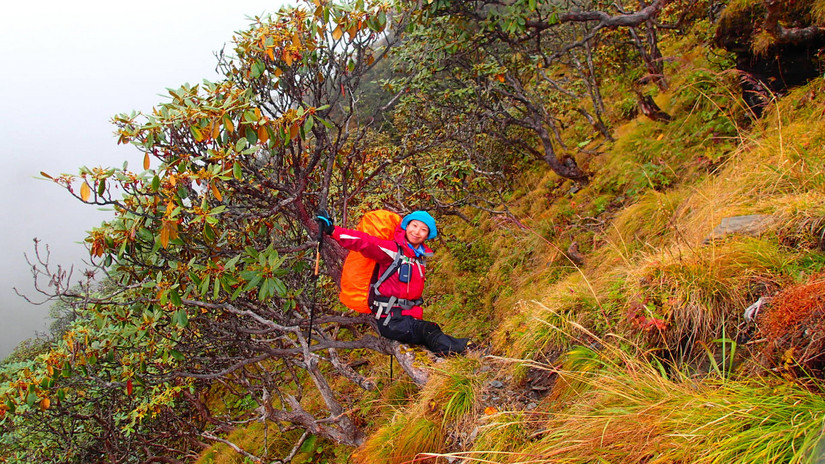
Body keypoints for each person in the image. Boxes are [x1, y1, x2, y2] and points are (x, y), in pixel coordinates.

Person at [316, 210, 470, 355]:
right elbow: (365, 242)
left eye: (423, 229)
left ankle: (454, 351)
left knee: (428, 329)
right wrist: (333, 230)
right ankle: (462, 350)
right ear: (406, 226)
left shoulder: (418, 257)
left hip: (408, 317)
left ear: (427, 235)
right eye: (414, 225)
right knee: (428, 330)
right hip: (391, 321)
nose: (417, 232)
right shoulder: (393, 251)